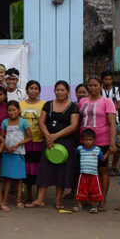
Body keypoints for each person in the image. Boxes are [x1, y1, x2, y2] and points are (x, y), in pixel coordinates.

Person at [28, 81, 79, 209]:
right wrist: (48, 136)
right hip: (49, 142)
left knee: (61, 171)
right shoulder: (48, 104)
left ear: (68, 92)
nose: (60, 92)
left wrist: (56, 136)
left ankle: (58, 201)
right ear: (54, 91)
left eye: (62, 90)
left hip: (65, 143)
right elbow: (41, 122)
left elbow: (73, 126)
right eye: (57, 90)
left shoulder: (73, 107)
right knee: (45, 170)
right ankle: (40, 199)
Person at [78, 77, 117, 211]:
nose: (92, 88)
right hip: (84, 141)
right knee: (86, 170)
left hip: (102, 141)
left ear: (101, 86)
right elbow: (79, 120)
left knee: (102, 170)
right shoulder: (82, 101)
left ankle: (102, 200)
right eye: (90, 85)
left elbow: (112, 123)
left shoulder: (107, 102)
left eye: (95, 85)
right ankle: (88, 198)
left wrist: (112, 143)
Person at [1, 101, 31, 208]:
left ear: (19, 110)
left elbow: (30, 137)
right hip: (7, 153)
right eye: (9, 110)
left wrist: (19, 144)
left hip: (19, 153)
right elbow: (2, 138)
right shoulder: (5, 122)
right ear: (7, 111)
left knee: (19, 178)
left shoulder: (23, 122)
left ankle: (19, 200)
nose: (12, 112)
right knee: (8, 178)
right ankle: (4, 200)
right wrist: (6, 147)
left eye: (14, 109)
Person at [19, 80, 44, 202]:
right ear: (27, 90)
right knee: (26, 168)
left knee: (38, 168)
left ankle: (39, 195)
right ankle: (28, 193)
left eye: (36, 88)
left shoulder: (44, 104)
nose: (33, 90)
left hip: (39, 140)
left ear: (39, 91)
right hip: (24, 141)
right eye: (31, 88)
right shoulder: (20, 105)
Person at [76, 129, 105, 213]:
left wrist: (108, 153)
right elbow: (76, 155)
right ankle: (79, 205)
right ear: (83, 140)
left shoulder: (97, 150)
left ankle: (94, 206)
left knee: (94, 190)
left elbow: (102, 158)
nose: (88, 142)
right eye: (86, 140)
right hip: (83, 174)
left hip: (94, 175)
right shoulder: (80, 148)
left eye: (90, 140)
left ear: (94, 140)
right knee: (81, 190)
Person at [101, 71, 120, 176]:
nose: (108, 81)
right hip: (102, 121)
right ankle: (105, 166)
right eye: (106, 79)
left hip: (115, 120)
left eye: (110, 79)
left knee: (118, 144)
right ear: (102, 80)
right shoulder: (98, 90)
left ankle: (114, 166)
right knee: (103, 144)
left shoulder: (116, 90)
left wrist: (110, 109)